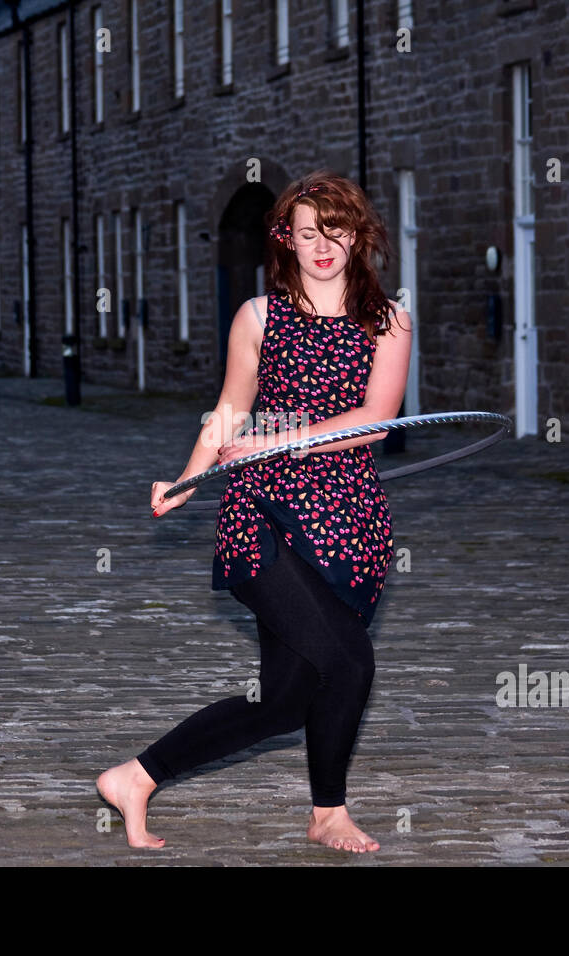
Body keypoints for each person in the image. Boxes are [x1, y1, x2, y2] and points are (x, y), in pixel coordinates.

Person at [97, 170, 413, 852]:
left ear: (359, 235)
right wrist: (183, 481)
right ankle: (329, 811)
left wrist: (282, 436)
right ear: (287, 241)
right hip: (263, 514)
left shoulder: (388, 321)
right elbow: (230, 412)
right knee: (351, 664)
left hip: (349, 523)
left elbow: (372, 422)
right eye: (307, 233)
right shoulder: (259, 316)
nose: (323, 245)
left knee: (284, 702)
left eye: (335, 230)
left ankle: (136, 776)